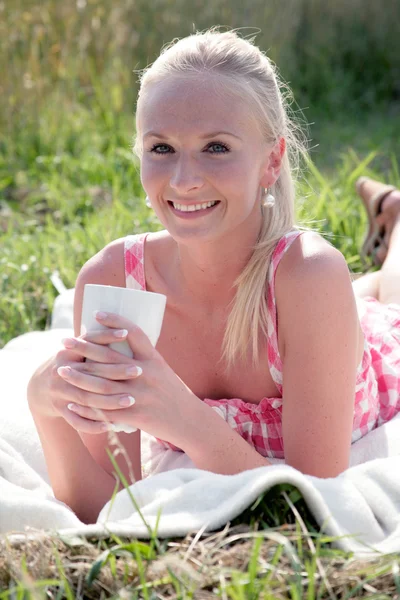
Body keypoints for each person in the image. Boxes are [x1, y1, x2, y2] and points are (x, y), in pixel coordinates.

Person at [27, 29, 400, 525]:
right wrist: (44, 407)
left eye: (216, 147)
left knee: (389, 302)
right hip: (310, 316)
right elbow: (110, 508)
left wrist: (184, 418)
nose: (183, 180)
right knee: (367, 295)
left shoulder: (310, 274)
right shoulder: (115, 281)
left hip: (359, 347)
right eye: (161, 148)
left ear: (271, 161)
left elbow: (312, 508)